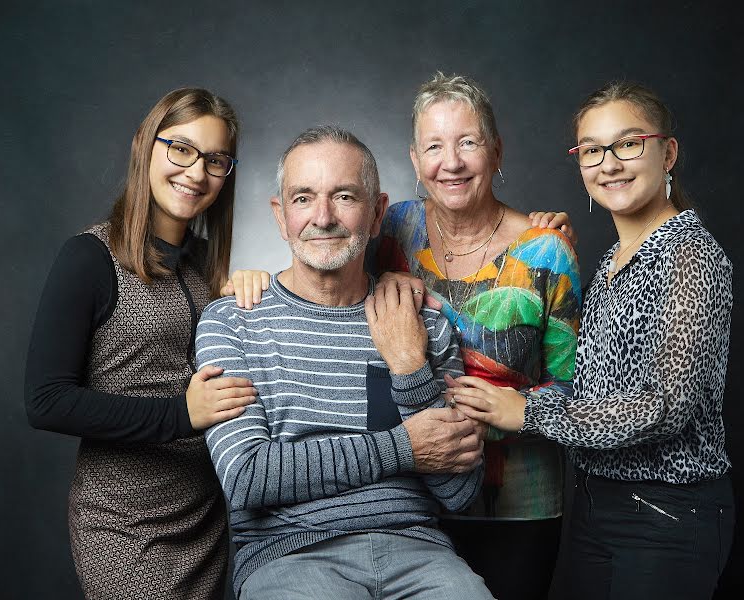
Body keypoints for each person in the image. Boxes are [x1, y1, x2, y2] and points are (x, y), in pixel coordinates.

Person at [223, 73, 581, 600]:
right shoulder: (390, 227)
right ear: (415, 161)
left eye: (468, 142)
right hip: (414, 501)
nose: (451, 161)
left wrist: (513, 409)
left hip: (511, 495)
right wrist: (244, 282)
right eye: (434, 146)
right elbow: (320, 270)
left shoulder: (545, 250)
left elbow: (579, 390)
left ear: (496, 151)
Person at [449, 82, 735, 600]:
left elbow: (667, 407)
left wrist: (528, 413)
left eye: (628, 144)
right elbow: (590, 386)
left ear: (667, 153)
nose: (610, 164)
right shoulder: (610, 263)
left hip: (667, 512)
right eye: (593, 150)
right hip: (597, 506)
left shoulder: (689, 256)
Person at [196, 125, 493, 600]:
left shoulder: (425, 322)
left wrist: (409, 367)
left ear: (377, 213)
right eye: (303, 198)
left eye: (345, 196)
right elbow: (247, 477)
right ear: (280, 215)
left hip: (419, 554)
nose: (323, 217)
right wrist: (403, 449)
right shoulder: (233, 322)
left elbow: (460, 493)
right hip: (290, 558)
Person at [25, 88, 256, 598]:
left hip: (206, 521)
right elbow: (46, 401)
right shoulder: (89, 257)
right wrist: (181, 414)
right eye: (181, 149)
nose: (196, 173)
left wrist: (255, 290)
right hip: (124, 526)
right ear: (144, 146)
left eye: (215, 160)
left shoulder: (202, 266)